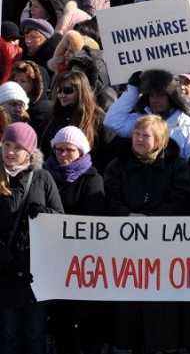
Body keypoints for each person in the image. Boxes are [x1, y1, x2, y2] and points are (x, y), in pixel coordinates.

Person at [103, 115, 190, 352]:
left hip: (164, 247)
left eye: (145, 135)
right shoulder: (117, 164)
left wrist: (153, 220)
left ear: (159, 140)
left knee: (165, 307)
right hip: (127, 246)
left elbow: (182, 197)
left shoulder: (176, 165)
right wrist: (128, 216)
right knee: (132, 307)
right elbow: (109, 196)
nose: (138, 139)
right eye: (137, 134)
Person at [0, 123, 64, 353]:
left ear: (28, 151)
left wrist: (43, 212)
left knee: (36, 335)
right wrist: (6, 262)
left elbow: (60, 219)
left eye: (17, 147)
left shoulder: (43, 177)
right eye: (6, 144)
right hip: (5, 273)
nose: (9, 151)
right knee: (9, 336)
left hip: (37, 274)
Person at [44, 126, 105, 354]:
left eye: (69, 150)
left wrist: (52, 217)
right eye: (58, 150)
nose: (63, 155)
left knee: (88, 318)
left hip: (84, 261)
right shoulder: (44, 175)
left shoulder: (92, 178)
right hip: (54, 259)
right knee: (61, 318)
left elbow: (90, 215)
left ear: (80, 151)